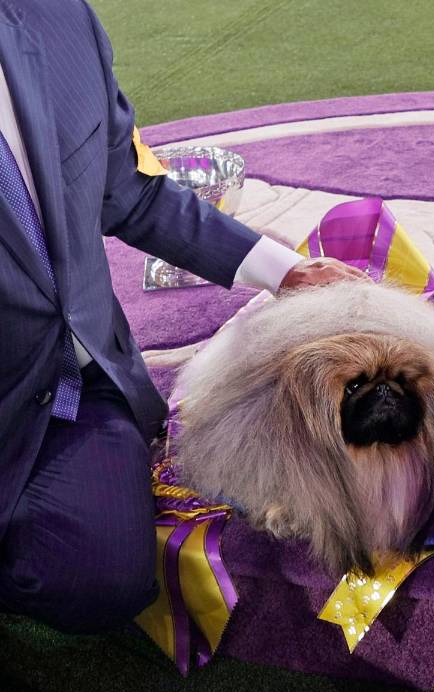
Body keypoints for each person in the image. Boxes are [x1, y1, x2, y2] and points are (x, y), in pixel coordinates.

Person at [0, 0, 365, 638]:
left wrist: (283, 272)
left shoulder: (57, 17)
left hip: (70, 385)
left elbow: (128, 189)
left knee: (103, 579)